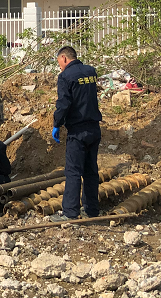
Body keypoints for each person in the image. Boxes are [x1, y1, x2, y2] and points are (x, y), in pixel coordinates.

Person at [50, 45, 102, 222]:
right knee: (91, 171)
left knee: (73, 171)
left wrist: (57, 124)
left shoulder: (65, 76)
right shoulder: (90, 71)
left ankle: (70, 213)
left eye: (59, 62)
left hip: (77, 131)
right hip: (94, 128)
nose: (59, 66)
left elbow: (64, 103)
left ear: (64, 58)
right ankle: (92, 210)